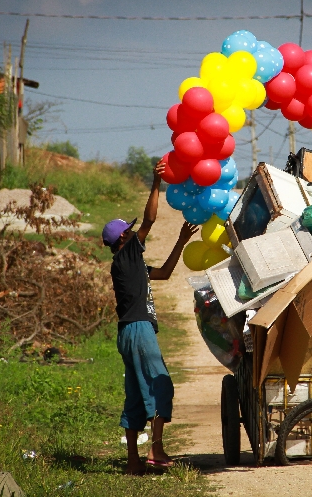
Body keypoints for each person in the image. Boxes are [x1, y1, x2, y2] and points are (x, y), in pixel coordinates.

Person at [102, 159, 198, 475]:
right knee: (161, 384)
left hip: (128, 333)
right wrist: (157, 182)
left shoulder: (132, 266)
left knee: (135, 397)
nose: (134, 233)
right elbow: (150, 219)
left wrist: (182, 241)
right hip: (139, 329)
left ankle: (133, 463)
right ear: (123, 240)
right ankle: (156, 450)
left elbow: (166, 273)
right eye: (129, 232)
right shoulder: (126, 255)